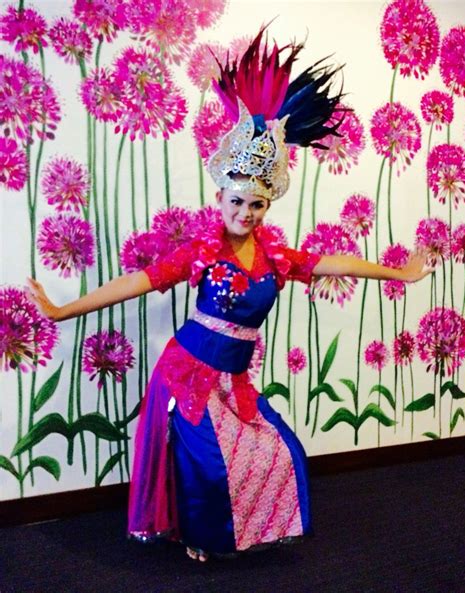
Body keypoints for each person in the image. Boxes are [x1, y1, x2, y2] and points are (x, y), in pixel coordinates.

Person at [26, 28, 433, 562]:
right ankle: (201, 538)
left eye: (257, 205)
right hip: (188, 375)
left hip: (234, 381)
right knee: (209, 463)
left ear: (267, 207)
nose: (245, 213)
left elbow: (332, 261)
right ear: (219, 196)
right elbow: (134, 283)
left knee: (281, 449)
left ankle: (244, 529)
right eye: (237, 201)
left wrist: (399, 274)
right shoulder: (199, 250)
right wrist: (62, 310)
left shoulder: (274, 257)